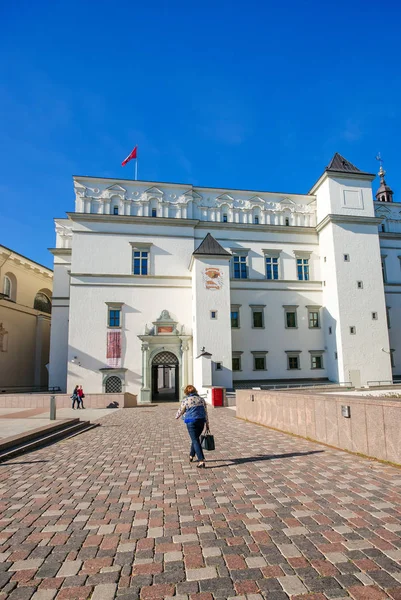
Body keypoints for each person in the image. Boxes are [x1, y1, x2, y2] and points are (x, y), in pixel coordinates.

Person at [175, 385, 209, 468]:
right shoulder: (201, 399)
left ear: (186, 392)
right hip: (201, 421)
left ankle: (201, 460)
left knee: (195, 440)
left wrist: (177, 416)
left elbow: (179, 412)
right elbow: (205, 412)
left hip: (191, 422)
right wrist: (207, 424)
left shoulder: (186, 400)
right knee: (195, 439)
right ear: (195, 391)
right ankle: (191, 455)